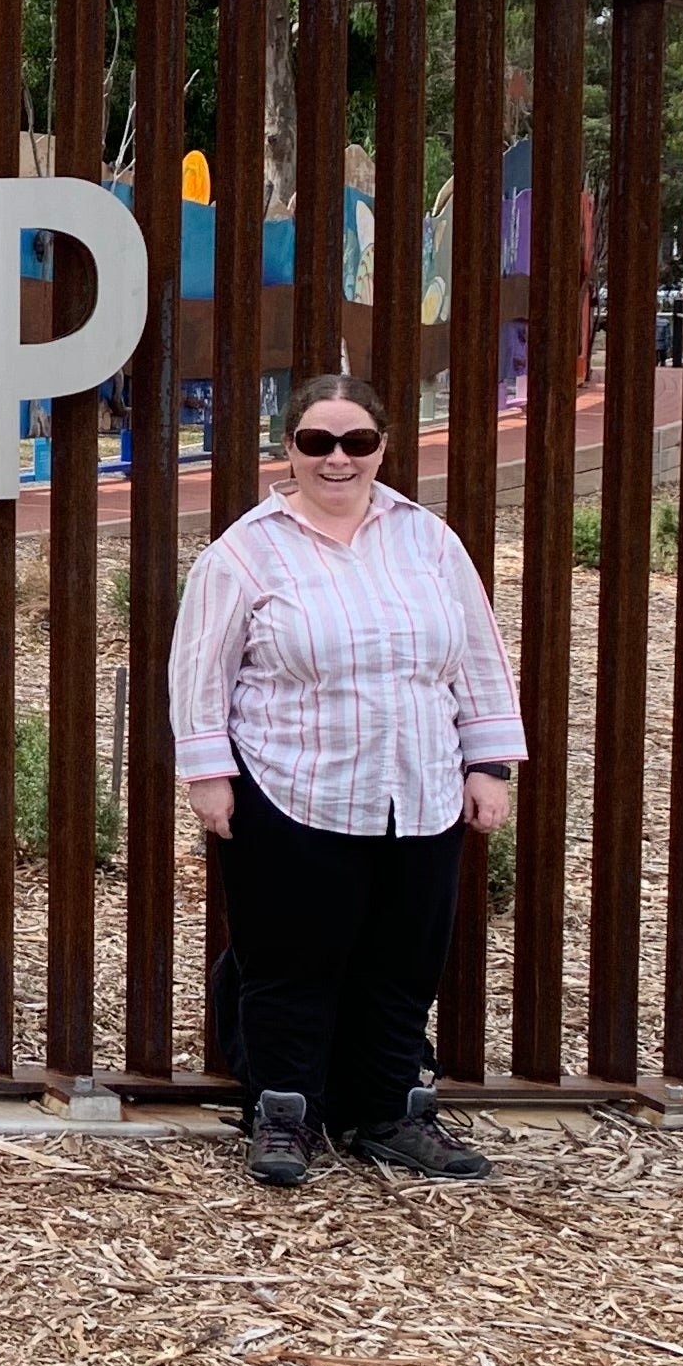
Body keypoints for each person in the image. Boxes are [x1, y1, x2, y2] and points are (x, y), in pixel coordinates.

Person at [167, 371, 523, 1190]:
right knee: (288, 963)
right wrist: (210, 779)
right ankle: (283, 1115)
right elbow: (199, 674)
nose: (337, 458)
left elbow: (476, 653)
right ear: (288, 449)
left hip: (422, 790)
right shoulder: (245, 553)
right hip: (293, 789)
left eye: (356, 442)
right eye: (317, 442)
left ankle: (390, 1114)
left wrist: (488, 762)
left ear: (383, 447)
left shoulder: (428, 541)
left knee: (403, 963)